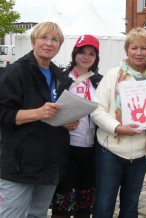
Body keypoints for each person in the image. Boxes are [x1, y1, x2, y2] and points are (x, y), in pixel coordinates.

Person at [0, 22, 79, 218]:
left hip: (50, 162)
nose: (48, 43)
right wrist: (38, 113)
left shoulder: (59, 75)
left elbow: (57, 112)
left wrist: (68, 121)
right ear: (33, 41)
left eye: (54, 40)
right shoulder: (16, 72)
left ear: (60, 45)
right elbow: (4, 115)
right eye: (44, 37)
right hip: (20, 165)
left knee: (38, 214)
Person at [90, 27, 146, 218]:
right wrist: (117, 128)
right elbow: (96, 110)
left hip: (140, 153)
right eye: (134, 48)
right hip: (111, 150)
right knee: (104, 204)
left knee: (131, 205)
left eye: (143, 48)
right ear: (127, 50)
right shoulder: (113, 75)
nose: (139, 53)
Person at [51, 35, 103, 218]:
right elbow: (48, 109)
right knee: (63, 206)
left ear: (96, 57)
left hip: (91, 149)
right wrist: (62, 122)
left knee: (84, 206)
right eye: (82, 52)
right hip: (67, 148)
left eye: (91, 53)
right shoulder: (60, 79)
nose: (86, 57)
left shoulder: (100, 81)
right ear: (75, 53)